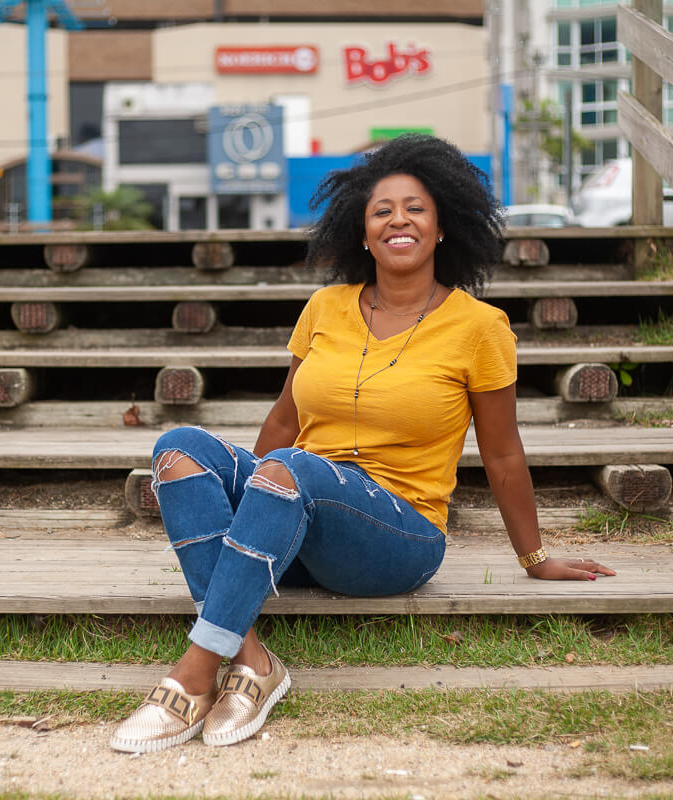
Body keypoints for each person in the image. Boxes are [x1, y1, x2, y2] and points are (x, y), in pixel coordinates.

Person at [109, 134, 616, 754]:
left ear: (443, 229)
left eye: (416, 208)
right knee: (179, 446)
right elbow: (284, 419)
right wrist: (256, 508)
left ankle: (194, 672)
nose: (399, 219)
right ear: (362, 232)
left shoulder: (480, 328)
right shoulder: (325, 307)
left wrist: (534, 558)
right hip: (297, 506)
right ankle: (253, 662)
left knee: (291, 467)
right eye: (382, 210)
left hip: (399, 537)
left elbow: (504, 451)